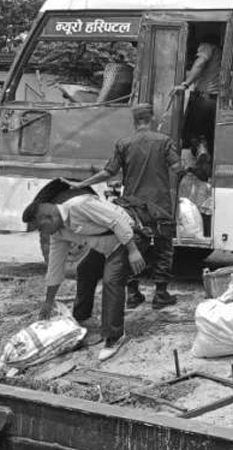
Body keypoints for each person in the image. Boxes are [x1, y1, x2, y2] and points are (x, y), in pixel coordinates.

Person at [66, 104, 181, 309]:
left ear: (134, 122)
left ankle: (133, 294)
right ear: (151, 119)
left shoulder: (124, 144)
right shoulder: (164, 141)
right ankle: (160, 294)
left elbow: (108, 172)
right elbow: (177, 167)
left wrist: (82, 184)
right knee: (163, 248)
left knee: (134, 246)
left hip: (132, 207)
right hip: (159, 204)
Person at [23, 192, 146, 362]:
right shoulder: (58, 233)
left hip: (129, 237)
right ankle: (82, 319)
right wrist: (48, 302)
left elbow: (117, 220)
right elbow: (55, 267)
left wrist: (133, 251)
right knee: (85, 269)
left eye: (40, 227)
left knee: (111, 279)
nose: (41, 232)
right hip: (107, 246)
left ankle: (114, 336)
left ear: (46, 217)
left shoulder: (79, 206)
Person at [171, 34, 223, 180]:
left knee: (192, 135)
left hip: (203, 99)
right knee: (209, 136)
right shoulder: (221, 52)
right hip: (216, 102)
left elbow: (200, 64)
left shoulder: (207, 46)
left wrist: (185, 84)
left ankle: (201, 152)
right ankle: (205, 169)